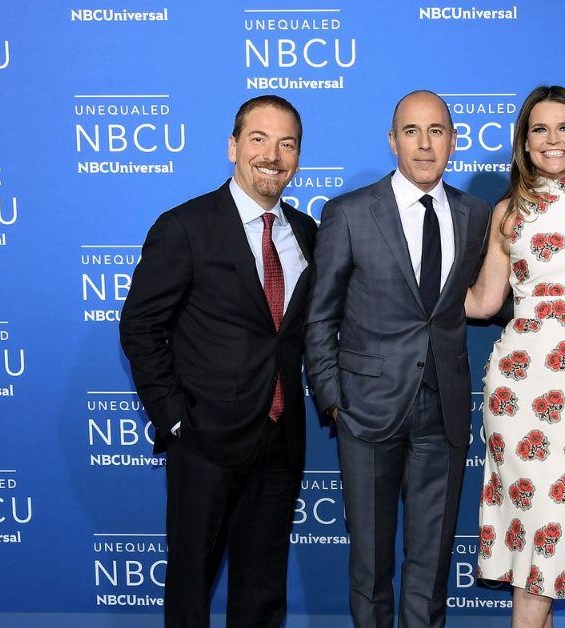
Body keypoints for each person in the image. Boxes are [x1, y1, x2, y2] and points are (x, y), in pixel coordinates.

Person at [119, 95, 316, 628]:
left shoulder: (307, 234)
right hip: (205, 440)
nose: (272, 155)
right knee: (190, 588)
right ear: (233, 147)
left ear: (298, 157)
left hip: (280, 440)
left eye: (286, 143)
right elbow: (139, 327)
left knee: (261, 589)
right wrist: (177, 418)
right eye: (258, 139)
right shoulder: (185, 226)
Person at [304, 90, 492, 628]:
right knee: (370, 566)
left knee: (431, 567)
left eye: (437, 131)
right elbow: (321, 316)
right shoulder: (349, 212)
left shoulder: (474, 213)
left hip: (443, 412)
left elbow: (481, 298)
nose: (425, 143)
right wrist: (334, 401)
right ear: (392, 141)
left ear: (454, 141)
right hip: (366, 412)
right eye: (411, 131)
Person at [466, 85, 565, 627]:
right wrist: (404, 289)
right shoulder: (507, 213)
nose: (553, 139)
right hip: (520, 383)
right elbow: (487, 301)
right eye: (540, 129)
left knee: (556, 518)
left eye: (564, 128)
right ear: (524, 141)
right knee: (535, 526)